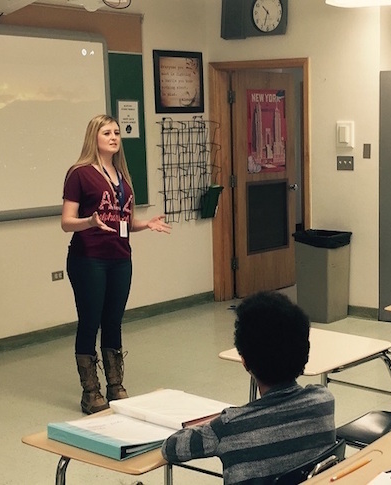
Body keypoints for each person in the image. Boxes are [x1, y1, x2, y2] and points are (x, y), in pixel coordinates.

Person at [161, 291, 336, 485]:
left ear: (244, 361)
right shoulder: (323, 401)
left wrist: (218, 421)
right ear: (305, 352)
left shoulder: (228, 428)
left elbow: (170, 448)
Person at [62, 114, 171, 414]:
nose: (113, 137)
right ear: (93, 138)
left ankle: (115, 385)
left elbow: (122, 221)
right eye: (106, 132)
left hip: (120, 258)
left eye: (116, 133)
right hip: (89, 258)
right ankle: (90, 392)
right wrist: (89, 221)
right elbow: (66, 222)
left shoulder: (121, 175)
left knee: (113, 321)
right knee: (90, 321)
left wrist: (146, 224)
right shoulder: (80, 174)